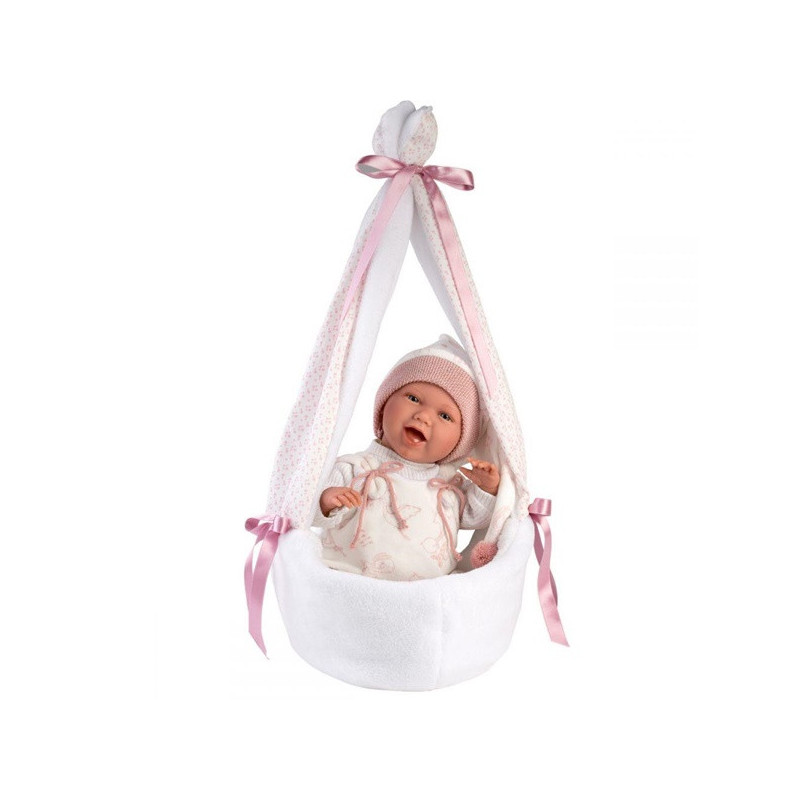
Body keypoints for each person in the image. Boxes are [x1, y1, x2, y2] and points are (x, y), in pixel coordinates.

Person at [313, 335, 499, 580]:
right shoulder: (355, 468)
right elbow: (308, 515)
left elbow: (477, 518)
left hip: (425, 592)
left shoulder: (448, 486)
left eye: (445, 416)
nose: (424, 416)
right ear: (384, 404)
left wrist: (487, 490)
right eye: (413, 399)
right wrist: (326, 502)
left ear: (461, 442)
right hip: (351, 581)